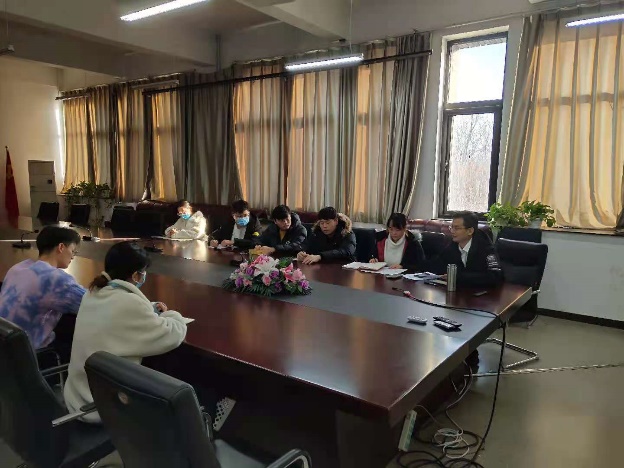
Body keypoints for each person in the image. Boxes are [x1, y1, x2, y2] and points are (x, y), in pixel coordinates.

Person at [64, 241, 187, 424]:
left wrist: (149, 308)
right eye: (143, 272)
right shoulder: (129, 304)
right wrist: (172, 315)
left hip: (77, 397)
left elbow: (122, 312)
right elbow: (172, 334)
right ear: (136, 275)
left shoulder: (93, 293)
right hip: (102, 407)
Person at [0, 226, 85, 350]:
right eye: (73, 251)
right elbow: (91, 303)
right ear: (61, 247)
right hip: (27, 353)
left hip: (4, 345)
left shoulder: (18, 267)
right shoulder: (56, 280)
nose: (73, 256)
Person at [428, 211, 503, 288]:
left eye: (456, 228)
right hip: (459, 291)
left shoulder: (486, 248)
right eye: (451, 227)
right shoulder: (452, 245)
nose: (452, 231)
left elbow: (495, 276)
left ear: (470, 231)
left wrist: (459, 277)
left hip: (482, 293)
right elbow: (438, 266)